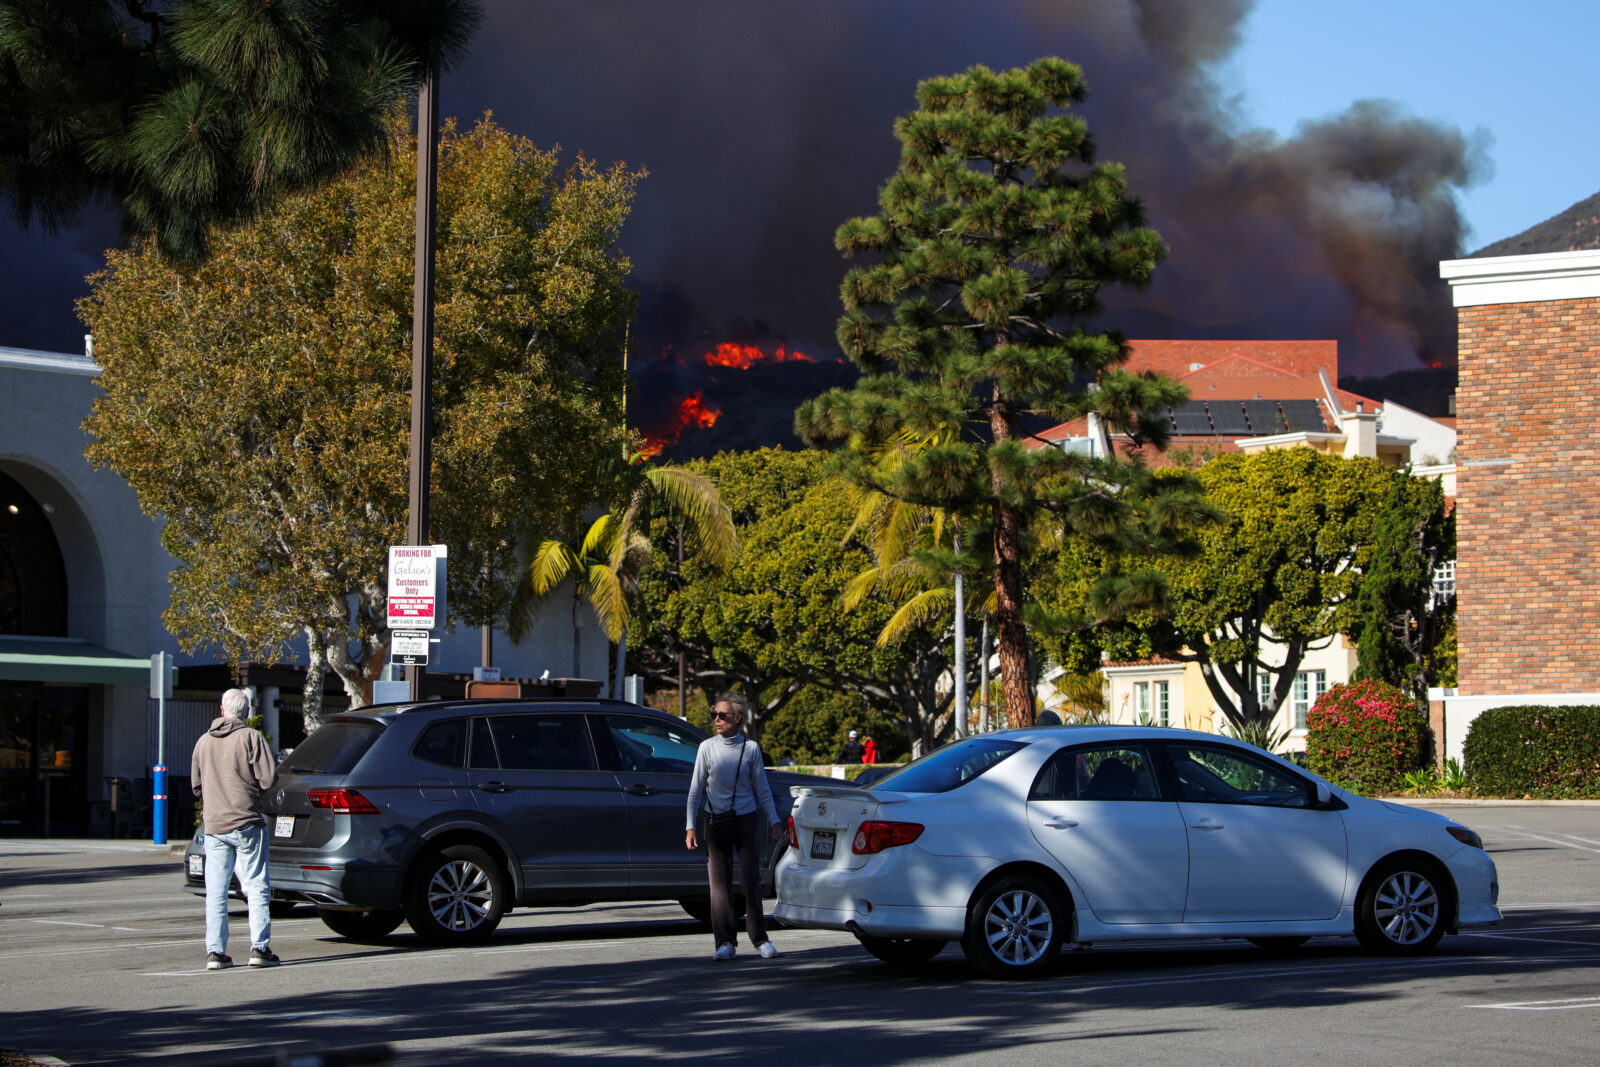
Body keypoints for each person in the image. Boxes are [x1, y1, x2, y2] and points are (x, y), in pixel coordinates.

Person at [685, 691, 783, 961]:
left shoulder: (750, 748)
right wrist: (690, 827)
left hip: (745, 818)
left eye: (722, 715)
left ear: (738, 718)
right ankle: (724, 942)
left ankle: (760, 938)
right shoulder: (706, 747)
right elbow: (696, 789)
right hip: (714, 820)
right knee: (718, 884)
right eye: (714, 714)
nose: (717, 719)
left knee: (750, 881)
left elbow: (762, 788)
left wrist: (774, 820)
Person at [191, 688, 278, 969]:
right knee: (255, 886)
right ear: (247, 712)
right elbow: (268, 779)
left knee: (216, 890)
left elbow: (195, 785)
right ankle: (259, 948)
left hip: (214, 824)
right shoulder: (252, 737)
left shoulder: (203, 742)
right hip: (246, 821)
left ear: (221, 710)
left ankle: (215, 952)